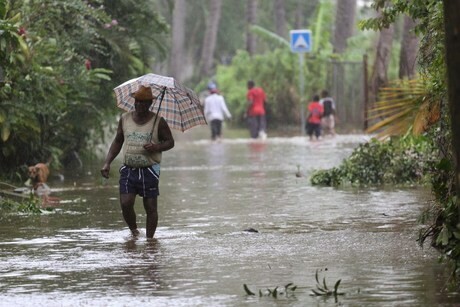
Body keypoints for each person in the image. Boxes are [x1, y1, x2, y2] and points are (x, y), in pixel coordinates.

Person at [100, 85, 175, 239]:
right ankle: (134, 231)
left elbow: (170, 142)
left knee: (151, 207)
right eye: (137, 101)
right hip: (129, 169)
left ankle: (150, 241)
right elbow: (117, 141)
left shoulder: (158, 122)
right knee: (126, 203)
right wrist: (107, 162)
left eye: (143, 102)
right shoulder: (125, 119)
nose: (140, 105)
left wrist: (156, 147)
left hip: (150, 170)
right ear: (134, 101)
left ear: (149, 104)